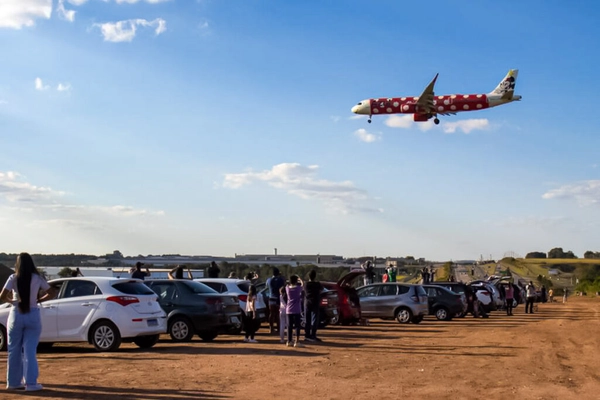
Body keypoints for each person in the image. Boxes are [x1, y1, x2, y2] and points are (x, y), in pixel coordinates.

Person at [0, 253, 57, 391]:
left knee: (14, 349)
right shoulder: (37, 277)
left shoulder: (13, 277)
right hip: (32, 314)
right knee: (30, 350)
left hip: (16, 313)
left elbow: (2, 295)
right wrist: (39, 300)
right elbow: (52, 292)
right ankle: (31, 383)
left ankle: (13, 382)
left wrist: (12, 301)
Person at [304, 270, 323, 342]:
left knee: (307, 319)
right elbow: (321, 290)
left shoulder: (306, 284)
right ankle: (313, 334)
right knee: (314, 319)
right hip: (315, 302)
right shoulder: (317, 284)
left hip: (307, 302)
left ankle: (307, 334)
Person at [286, 275, 304, 347]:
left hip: (288, 309)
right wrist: (300, 279)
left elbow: (286, 284)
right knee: (297, 326)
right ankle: (297, 341)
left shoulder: (287, 288)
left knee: (289, 326)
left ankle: (289, 341)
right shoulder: (298, 288)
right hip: (296, 309)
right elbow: (303, 285)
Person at [266, 268, 285, 334]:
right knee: (278, 314)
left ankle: (271, 328)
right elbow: (283, 285)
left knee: (271, 314)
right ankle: (278, 329)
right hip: (278, 298)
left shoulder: (269, 280)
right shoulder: (281, 280)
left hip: (271, 298)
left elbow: (267, 286)